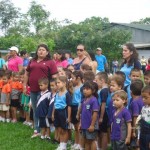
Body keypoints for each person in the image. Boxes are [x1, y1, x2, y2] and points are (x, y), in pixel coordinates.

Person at [23, 44, 57, 138]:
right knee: (35, 109)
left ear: (47, 52)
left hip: (45, 91)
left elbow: (54, 77)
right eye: (39, 50)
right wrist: (25, 85)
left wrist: (54, 88)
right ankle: (36, 130)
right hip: (33, 89)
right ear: (37, 51)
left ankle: (46, 131)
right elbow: (26, 73)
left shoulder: (50, 62)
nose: (41, 51)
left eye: (43, 50)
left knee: (44, 111)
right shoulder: (32, 61)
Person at [52, 76, 72, 150]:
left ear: (64, 83)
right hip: (57, 112)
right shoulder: (57, 93)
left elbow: (69, 106)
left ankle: (64, 145)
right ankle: (61, 144)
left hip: (63, 112)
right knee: (59, 129)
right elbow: (55, 103)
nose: (57, 84)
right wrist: (53, 113)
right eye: (56, 83)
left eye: (59, 83)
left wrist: (69, 117)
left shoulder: (67, 94)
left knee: (64, 129)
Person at [79, 81, 99, 150]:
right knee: (86, 141)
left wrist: (92, 125)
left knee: (92, 140)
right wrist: (80, 124)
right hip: (84, 124)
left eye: (87, 89)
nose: (85, 90)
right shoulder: (84, 100)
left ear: (93, 90)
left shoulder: (94, 100)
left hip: (91, 125)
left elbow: (95, 113)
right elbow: (82, 113)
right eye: (84, 89)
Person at [95, 72, 110, 150]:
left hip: (104, 113)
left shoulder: (104, 91)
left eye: (96, 80)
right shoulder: (104, 90)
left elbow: (103, 104)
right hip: (102, 113)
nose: (96, 82)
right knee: (100, 132)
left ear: (102, 80)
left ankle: (103, 148)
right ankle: (99, 147)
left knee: (103, 133)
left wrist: (101, 117)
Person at [70, 71, 83, 150]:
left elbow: (81, 100)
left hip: (78, 107)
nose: (71, 79)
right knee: (75, 126)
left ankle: (80, 144)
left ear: (78, 78)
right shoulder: (74, 87)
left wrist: (79, 111)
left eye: (73, 78)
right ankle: (76, 142)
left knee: (78, 127)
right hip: (73, 107)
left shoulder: (82, 87)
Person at [129, 79, 144, 148]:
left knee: (137, 145)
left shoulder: (134, 102)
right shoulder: (143, 99)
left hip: (137, 127)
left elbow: (135, 117)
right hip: (143, 126)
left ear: (131, 92)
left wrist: (134, 130)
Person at [136, 85, 150, 150]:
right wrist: (138, 138)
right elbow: (140, 125)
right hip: (142, 135)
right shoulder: (143, 108)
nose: (143, 99)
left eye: (146, 98)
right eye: (142, 97)